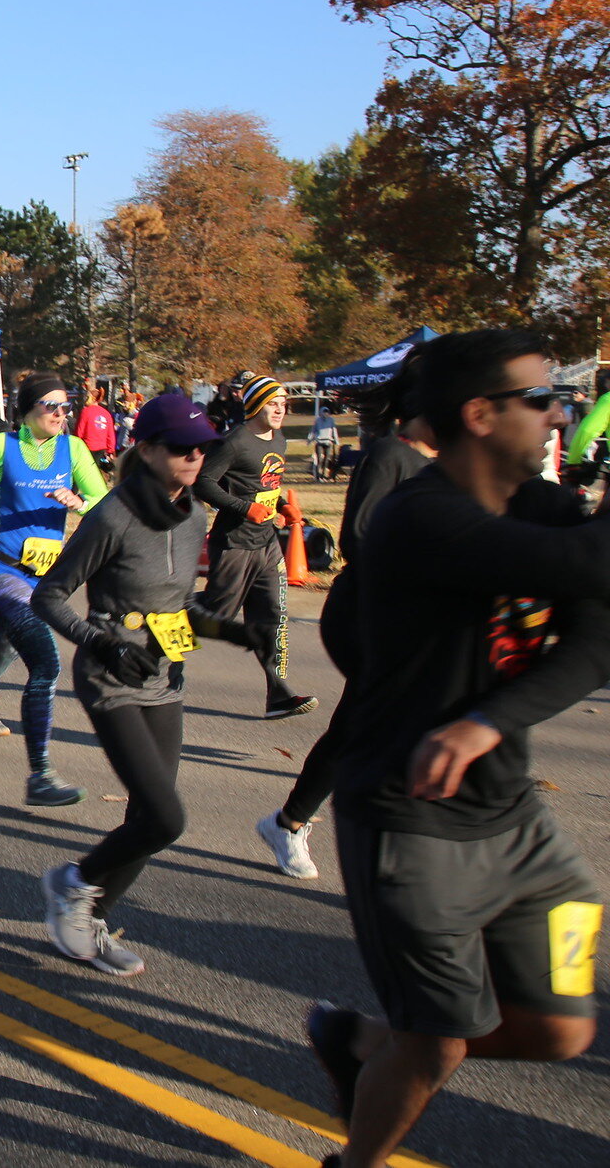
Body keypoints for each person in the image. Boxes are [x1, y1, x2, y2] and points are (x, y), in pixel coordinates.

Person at [309, 330, 610, 1168]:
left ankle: (364, 1040)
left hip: (516, 817)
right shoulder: (422, 515)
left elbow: (596, 638)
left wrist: (487, 721)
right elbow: (584, 562)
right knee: (435, 1043)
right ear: (481, 414)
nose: (560, 414)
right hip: (410, 820)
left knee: (563, 1028)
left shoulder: (543, 506)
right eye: (543, 399)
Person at [31, 393, 268, 977]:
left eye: (203, 448)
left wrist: (231, 631)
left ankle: (89, 918)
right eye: (182, 448)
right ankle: (74, 881)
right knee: (167, 819)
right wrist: (104, 642)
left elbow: (178, 602)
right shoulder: (112, 516)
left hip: (164, 677)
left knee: (147, 817)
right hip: (110, 678)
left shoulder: (192, 516)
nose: (194, 457)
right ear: (148, 449)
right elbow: (49, 596)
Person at [258, 366, 437, 880]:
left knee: (383, 727)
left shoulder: (449, 465)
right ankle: (292, 824)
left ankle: (295, 823)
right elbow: (358, 538)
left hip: (417, 620)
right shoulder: (390, 455)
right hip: (369, 614)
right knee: (363, 726)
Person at [0, 374, 108, 806]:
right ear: (28, 409)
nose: (62, 414)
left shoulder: (74, 450)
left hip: (44, 580)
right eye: (52, 406)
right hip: (1, 571)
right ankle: (41, 774)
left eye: (67, 406)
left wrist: (78, 503)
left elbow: (105, 503)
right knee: (46, 665)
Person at [192, 375, 318, 719]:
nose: (280, 410)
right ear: (256, 405)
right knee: (218, 613)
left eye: (283, 404)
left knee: (272, 618)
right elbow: (203, 483)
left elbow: (263, 485)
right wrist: (244, 508)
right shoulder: (233, 443)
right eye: (273, 404)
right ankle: (159, 634)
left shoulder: (279, 439)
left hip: (266, 545)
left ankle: (279, 693)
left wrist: (281, 507)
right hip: (234, 544)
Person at [72, 378, 118, 476]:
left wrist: (75, 446)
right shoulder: (106, 414)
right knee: (96, 474)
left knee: (82, 473)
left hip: (87, 448)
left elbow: (79, 432)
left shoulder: (86, 411)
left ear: (91, 398)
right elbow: (110, 434)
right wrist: (110, 450)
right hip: (101, 449)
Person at [309, 400, 342, 482]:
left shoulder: (331, 420)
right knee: (319, 459)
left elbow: (334, 430)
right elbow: (313, 430)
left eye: (327, 412)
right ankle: (318, 475)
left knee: (327, 459)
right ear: (321, 412)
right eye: (324, 412)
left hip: (328, 442)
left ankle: (324, 475)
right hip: (319, 442)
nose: (325, 413)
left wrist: (336, 440)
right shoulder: (317, 420)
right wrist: (310, 439)